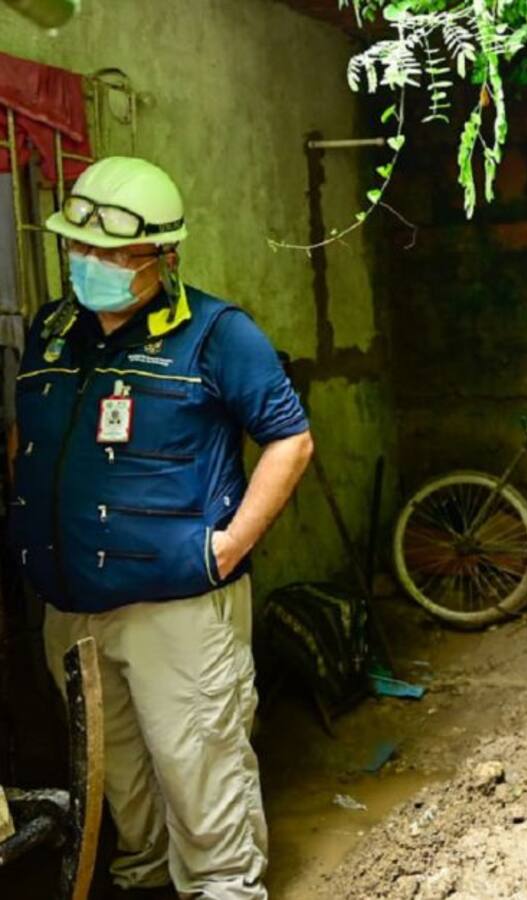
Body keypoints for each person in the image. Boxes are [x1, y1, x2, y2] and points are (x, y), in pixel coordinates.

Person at [6, 156, 313, 899]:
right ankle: (143, 880)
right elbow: (30, 436)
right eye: (78, 247)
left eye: (112, 253)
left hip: (176, 608)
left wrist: (228, 547)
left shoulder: (215, 333)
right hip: (71, 607)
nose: (90, 263)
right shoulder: (52, 329)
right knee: (119, 780)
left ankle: (223, 889)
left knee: (196, 761)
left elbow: (290, 439)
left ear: (163, 256)